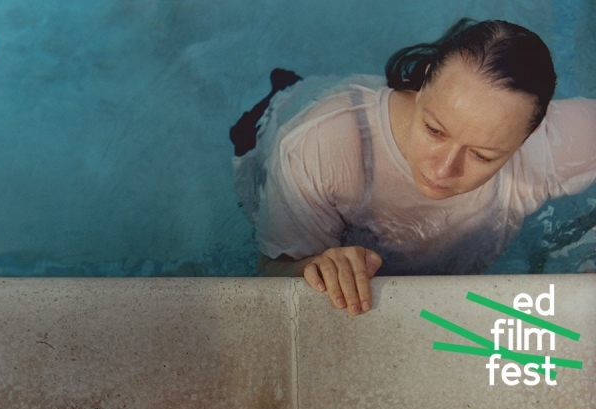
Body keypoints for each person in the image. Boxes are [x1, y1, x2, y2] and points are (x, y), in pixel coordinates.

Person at [230, 18, 596, 316]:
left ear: (530, 134)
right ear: (424, 83)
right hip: (270, 124)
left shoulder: (547, 146)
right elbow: (271, 271)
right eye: (435, 130)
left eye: (481, 156)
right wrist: (312, 267)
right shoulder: (322, 146)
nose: (442, 170)